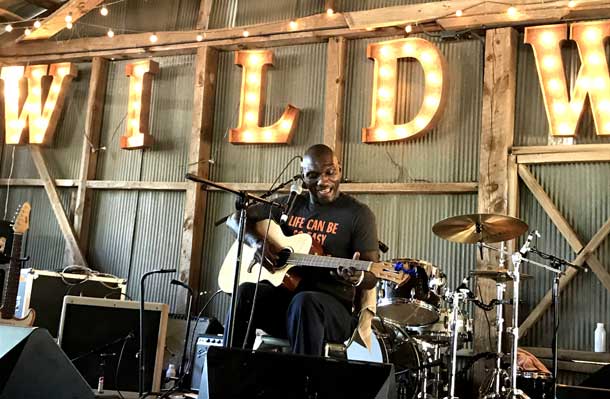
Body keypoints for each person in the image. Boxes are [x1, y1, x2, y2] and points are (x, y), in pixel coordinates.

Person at [225, 144, 380, 356]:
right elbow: (235, 219)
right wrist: (257, 243)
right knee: (245, 293)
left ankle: (302, 384)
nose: (323, 181)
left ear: (340, 170)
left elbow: (373, 274)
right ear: (302, 177)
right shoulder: (289, 205)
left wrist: (357, 276)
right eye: (313, 175)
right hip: (285, 306)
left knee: (305, 301)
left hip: (332, 312)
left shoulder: (358, 215)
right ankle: (229, 375)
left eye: (329, 172)